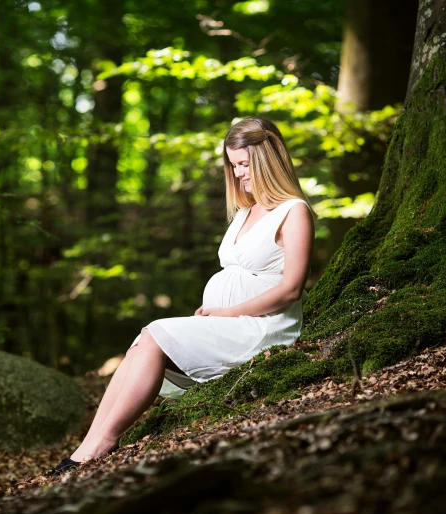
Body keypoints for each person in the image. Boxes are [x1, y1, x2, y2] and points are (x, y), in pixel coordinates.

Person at [49, 116, 315, 476]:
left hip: (262, 329)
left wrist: (226, 313)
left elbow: (290, 289)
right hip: (230, 322)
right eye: (233, 165)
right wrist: (216, 312)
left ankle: (102, 444)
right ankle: (87, 446)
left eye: (243, 164)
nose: (238, 174)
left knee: (155, 332)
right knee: (142, 343)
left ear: (267, 158)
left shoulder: (293, 212)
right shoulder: (243, 212)